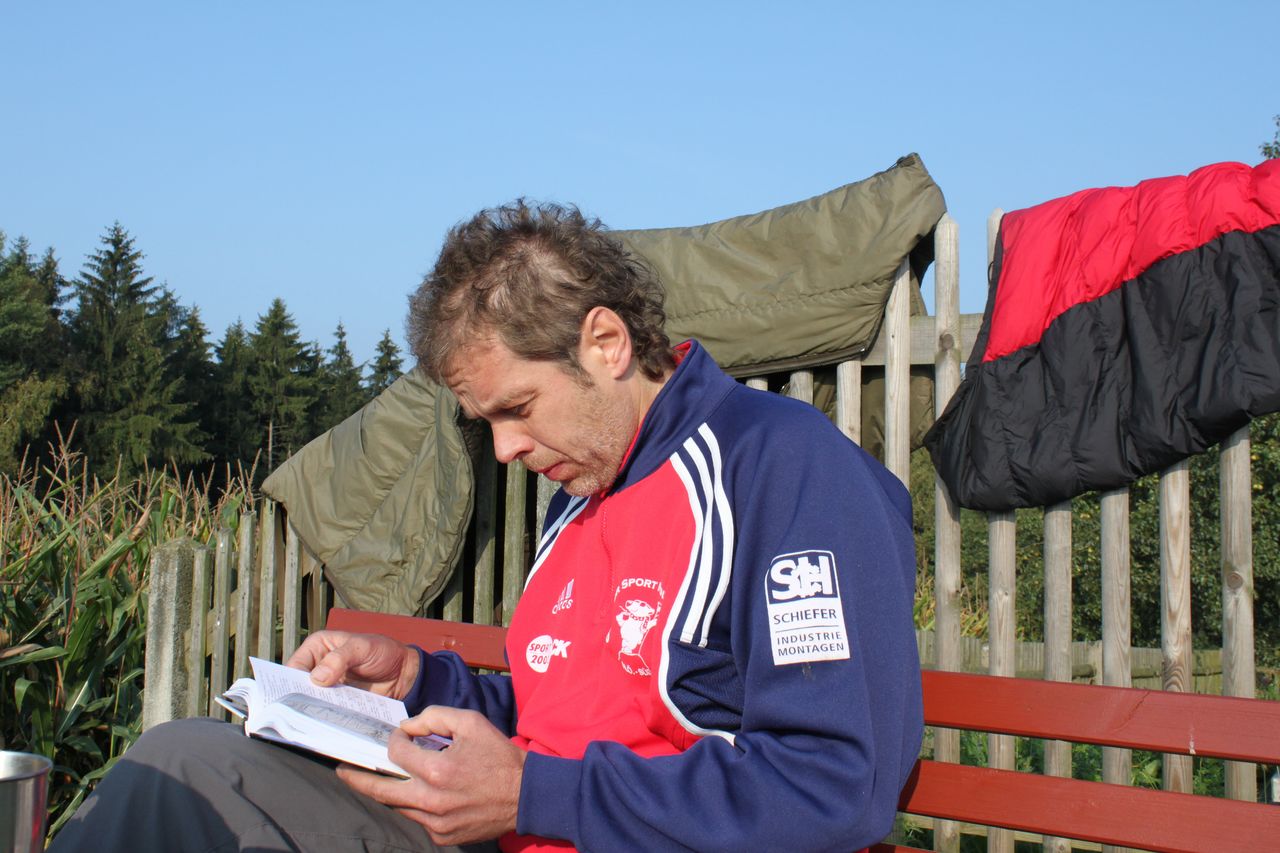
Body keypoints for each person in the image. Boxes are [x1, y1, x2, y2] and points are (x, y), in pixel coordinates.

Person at [51, 200, 923, 853]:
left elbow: (835, 785)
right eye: (487, 422)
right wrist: (416, 681)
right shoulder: (584, 486)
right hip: (509, 830)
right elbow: (557, 714)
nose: (505, 450)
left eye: (517, 408)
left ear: (606, 343)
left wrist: (535, 795)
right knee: (180, 768)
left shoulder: (781, 469)